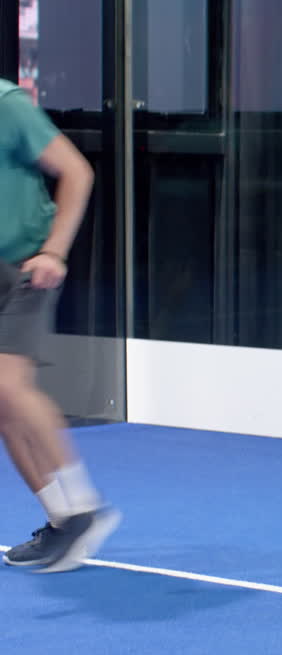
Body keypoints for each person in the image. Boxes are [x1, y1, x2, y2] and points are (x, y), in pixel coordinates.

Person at [0, 78, 119, 573]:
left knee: (7, 384)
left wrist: (54, 250)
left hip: (24, 269)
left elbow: (76, 171)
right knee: (3, 405)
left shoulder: (5, 104)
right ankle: (62, 521)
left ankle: (85, 507)